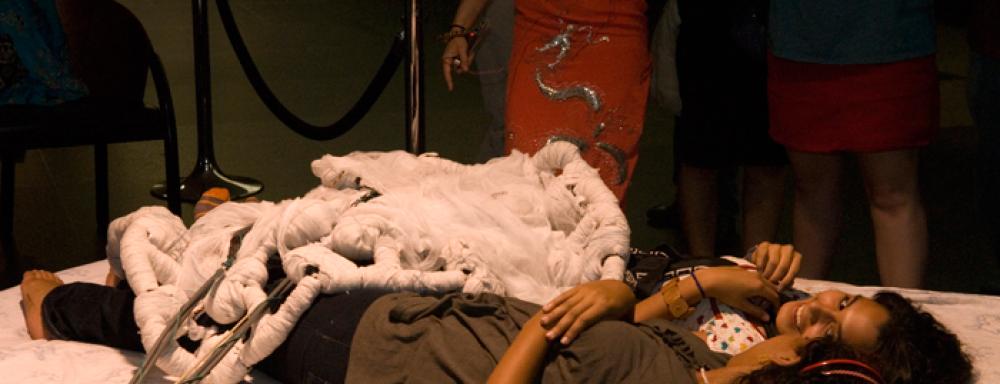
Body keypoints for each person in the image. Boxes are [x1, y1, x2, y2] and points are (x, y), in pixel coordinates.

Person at [19, 241, 971, 383]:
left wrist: (531, 333)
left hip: (387, 357)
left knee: (199, 322)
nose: (814, 309)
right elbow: (681, 300)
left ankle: (55, 308)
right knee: (264, 261)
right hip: (422, 310)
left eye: (827, 327)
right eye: (834, 302)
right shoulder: (752, 330)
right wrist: (709, 284)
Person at [766, 0, 938, 288]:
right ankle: (799, 314)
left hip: (889, 41)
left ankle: (905, 322)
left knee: (892, 195)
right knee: (812, 191)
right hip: (800, 41)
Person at [443, 0, 650, 201]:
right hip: (540, 33)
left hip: (614, 39)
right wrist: (459, 29)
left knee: (597, 182)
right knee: (528, 174)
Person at [671, 0, 787, 258]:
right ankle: (700, 263)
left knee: (766, 155)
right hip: (706, 26)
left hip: (769, 26)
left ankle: (757, 267)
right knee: (700, 152)